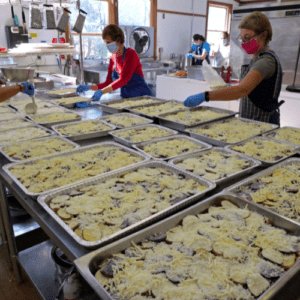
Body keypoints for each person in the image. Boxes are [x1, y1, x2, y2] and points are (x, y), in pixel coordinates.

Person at [184, 11, 283, 126]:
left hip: (263, 123)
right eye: (242, 39)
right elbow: (249, 87)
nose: (244, 43)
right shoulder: (256, 58)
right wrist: (232, 88)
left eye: (248, 38)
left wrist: (205, 96)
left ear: (264, 35)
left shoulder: (266, 61)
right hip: (250, 122)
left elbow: (242, 90)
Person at [76, 24, 153, 101]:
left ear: (119, 40)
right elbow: (107, 83)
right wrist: (90, 87)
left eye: (109, 42)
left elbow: (123, 80)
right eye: (106, 43)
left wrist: (102, 92)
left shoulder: (130, 54)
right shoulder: (113, 59)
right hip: (127, 98)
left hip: (143, 97)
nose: (107, 45)